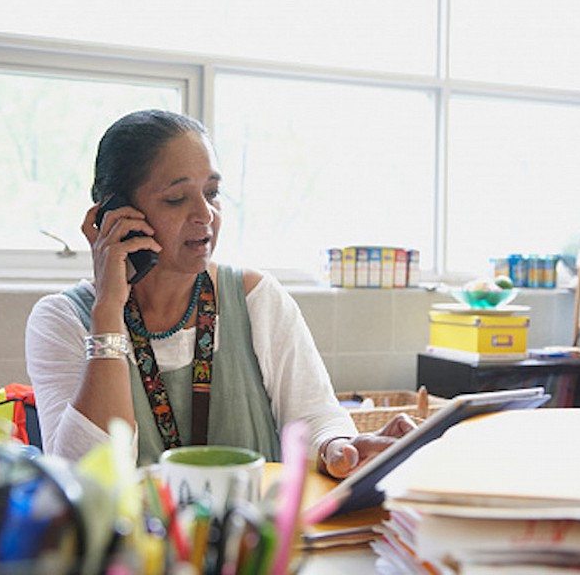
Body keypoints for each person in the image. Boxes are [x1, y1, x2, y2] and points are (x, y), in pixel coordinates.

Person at [25, 109, 414, 479]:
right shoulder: (62, 320)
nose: (205, 214)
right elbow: (85, 478)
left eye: (211, 193)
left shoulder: (256, 298)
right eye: (177, 199)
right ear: (117, 213)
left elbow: (315, 417)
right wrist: (109, 309)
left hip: (255, 545)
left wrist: (337, 445)